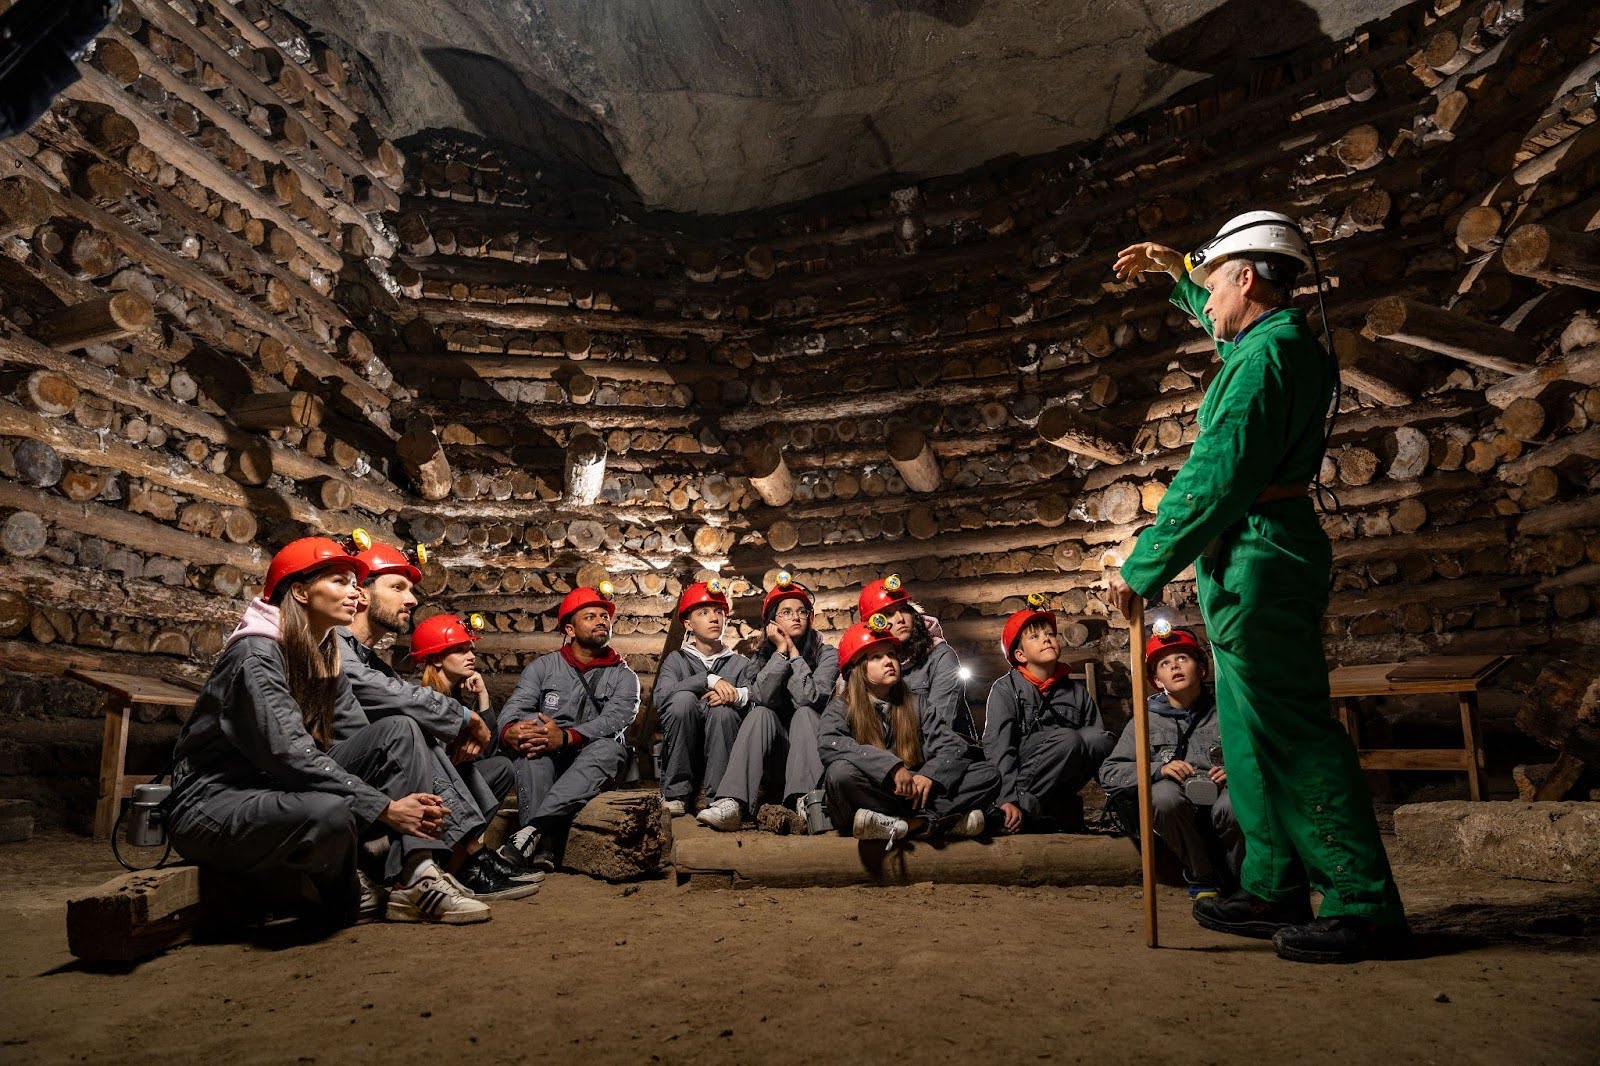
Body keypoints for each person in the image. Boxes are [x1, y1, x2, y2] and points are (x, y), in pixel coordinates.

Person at [1109, 212, 1408, 963]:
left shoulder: (1266, 362)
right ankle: (1273, 884)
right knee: (1246, 738)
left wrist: (1145, 564)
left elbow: (1218, 471)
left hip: (1260, 557)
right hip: (1248, 560)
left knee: (1296, 736)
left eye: (1213, 289)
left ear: (1246, 277)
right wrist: (1179, 270)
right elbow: (1228, 332)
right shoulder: (1270, 347)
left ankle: (1362, 903)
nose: (1206, 307)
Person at [166, 537, 487, 926]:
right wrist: (385, 809)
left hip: (279, 786)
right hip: (217, 798)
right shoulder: (257, 654)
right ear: (300, 592)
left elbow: (359, 736)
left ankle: (416, 877)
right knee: (330, 812)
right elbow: (291, 755)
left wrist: (400, 784)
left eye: (355, 583)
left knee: (399, 731)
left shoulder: (325, 649)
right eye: (340, 581)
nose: (355, 592)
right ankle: (343, 898)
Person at [338, 537, 537, 899]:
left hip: (364, 773)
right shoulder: (331, 645)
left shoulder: (368, 659)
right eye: (398, 587)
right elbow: (385, 696)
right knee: (406, 728)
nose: (412, 599)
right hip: (334, 775)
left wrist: (471, 712)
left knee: (421, 734)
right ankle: (459, 859)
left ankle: (466, 856)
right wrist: (463, 716)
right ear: (362, 595)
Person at [818, 616, 1000, 846]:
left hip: (914, 792)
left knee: (988, 775)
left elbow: (952, 746)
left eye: (892, 654)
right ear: (858, 669)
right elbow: (830, 744)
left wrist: (930, 775)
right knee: (840, 774)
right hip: (875, 790)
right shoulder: (841, 707)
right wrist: (889, 767)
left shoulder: (917, 703)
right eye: (877, 657)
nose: (888, 661)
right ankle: (938, 822)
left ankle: (908, 824)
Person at [498, 583, 639, 872]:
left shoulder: (625, 677)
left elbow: (614, 721)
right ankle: (544, 845)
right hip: (548, 755)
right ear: (570, 630)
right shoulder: (543, 668)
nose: (601, 620)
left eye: (605, 616)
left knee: (609, 749)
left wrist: (566, 737)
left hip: (591, 760)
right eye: (591, 616)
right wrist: (512, 730)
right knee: (532, 742)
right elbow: (515, 707)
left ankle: (533, 832)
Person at [1100, 623, 1244, 899]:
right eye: (1164, 663)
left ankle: (1240, 881)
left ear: (1201, 669)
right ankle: (1202, 875)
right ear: (1157, 680)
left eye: (1183, 658)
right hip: (1178, 810)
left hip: (1222, 800)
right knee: (1163, 795)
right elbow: (1110, 772)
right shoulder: (1145, 720)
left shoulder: (1227, 713)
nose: (1175, 667)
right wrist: (1158, 769)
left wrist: (1235, 772)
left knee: (1239, 801)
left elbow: (1257, 759)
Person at [698, 572, 840, 832]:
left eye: (802, 612)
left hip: (813, 755)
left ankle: (806, 802)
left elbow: (810, 697)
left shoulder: (827, 654)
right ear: (772, 622)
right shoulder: (762, 658)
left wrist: (795, 656)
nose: (796, 617)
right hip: (775, 758)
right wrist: (781, 654)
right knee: (761, 712)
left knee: (805, 714)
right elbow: (760, 696)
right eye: (786, 612)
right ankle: (733, 803)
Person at [982, 596, 1114, 834]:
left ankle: (1058, 805)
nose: (1046, 639)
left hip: (1063, 776)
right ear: (1020, 655)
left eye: (1050, 634)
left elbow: (1098, 745)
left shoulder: (1076, 692)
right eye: (1035, 636)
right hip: (1022, 776)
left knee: (1099, 738)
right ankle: (1023, 807)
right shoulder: (1005, 689)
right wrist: (1006, 798)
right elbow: (998, 747)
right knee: (1068, 738)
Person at [653, 580, 754, 816]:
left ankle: (720, 797)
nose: (714, 618)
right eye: (704, 612)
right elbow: (662, 699)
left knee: (723, 710)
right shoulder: (676, 660)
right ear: (688, 623)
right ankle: (676, 793)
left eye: (719, 612)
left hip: (723, 747)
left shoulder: (739, 664)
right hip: (683, 749)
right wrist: (708, 680)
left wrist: (738, 696)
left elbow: (757, 700)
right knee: (682, 701)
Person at [858, 574, 976, 742]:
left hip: (940, 752)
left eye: (904, 609)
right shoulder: (866, 665)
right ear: (874, 625)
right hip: (888, 755)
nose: (900, 619)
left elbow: (940, 728)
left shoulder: (941, 657)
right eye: (888, 614)